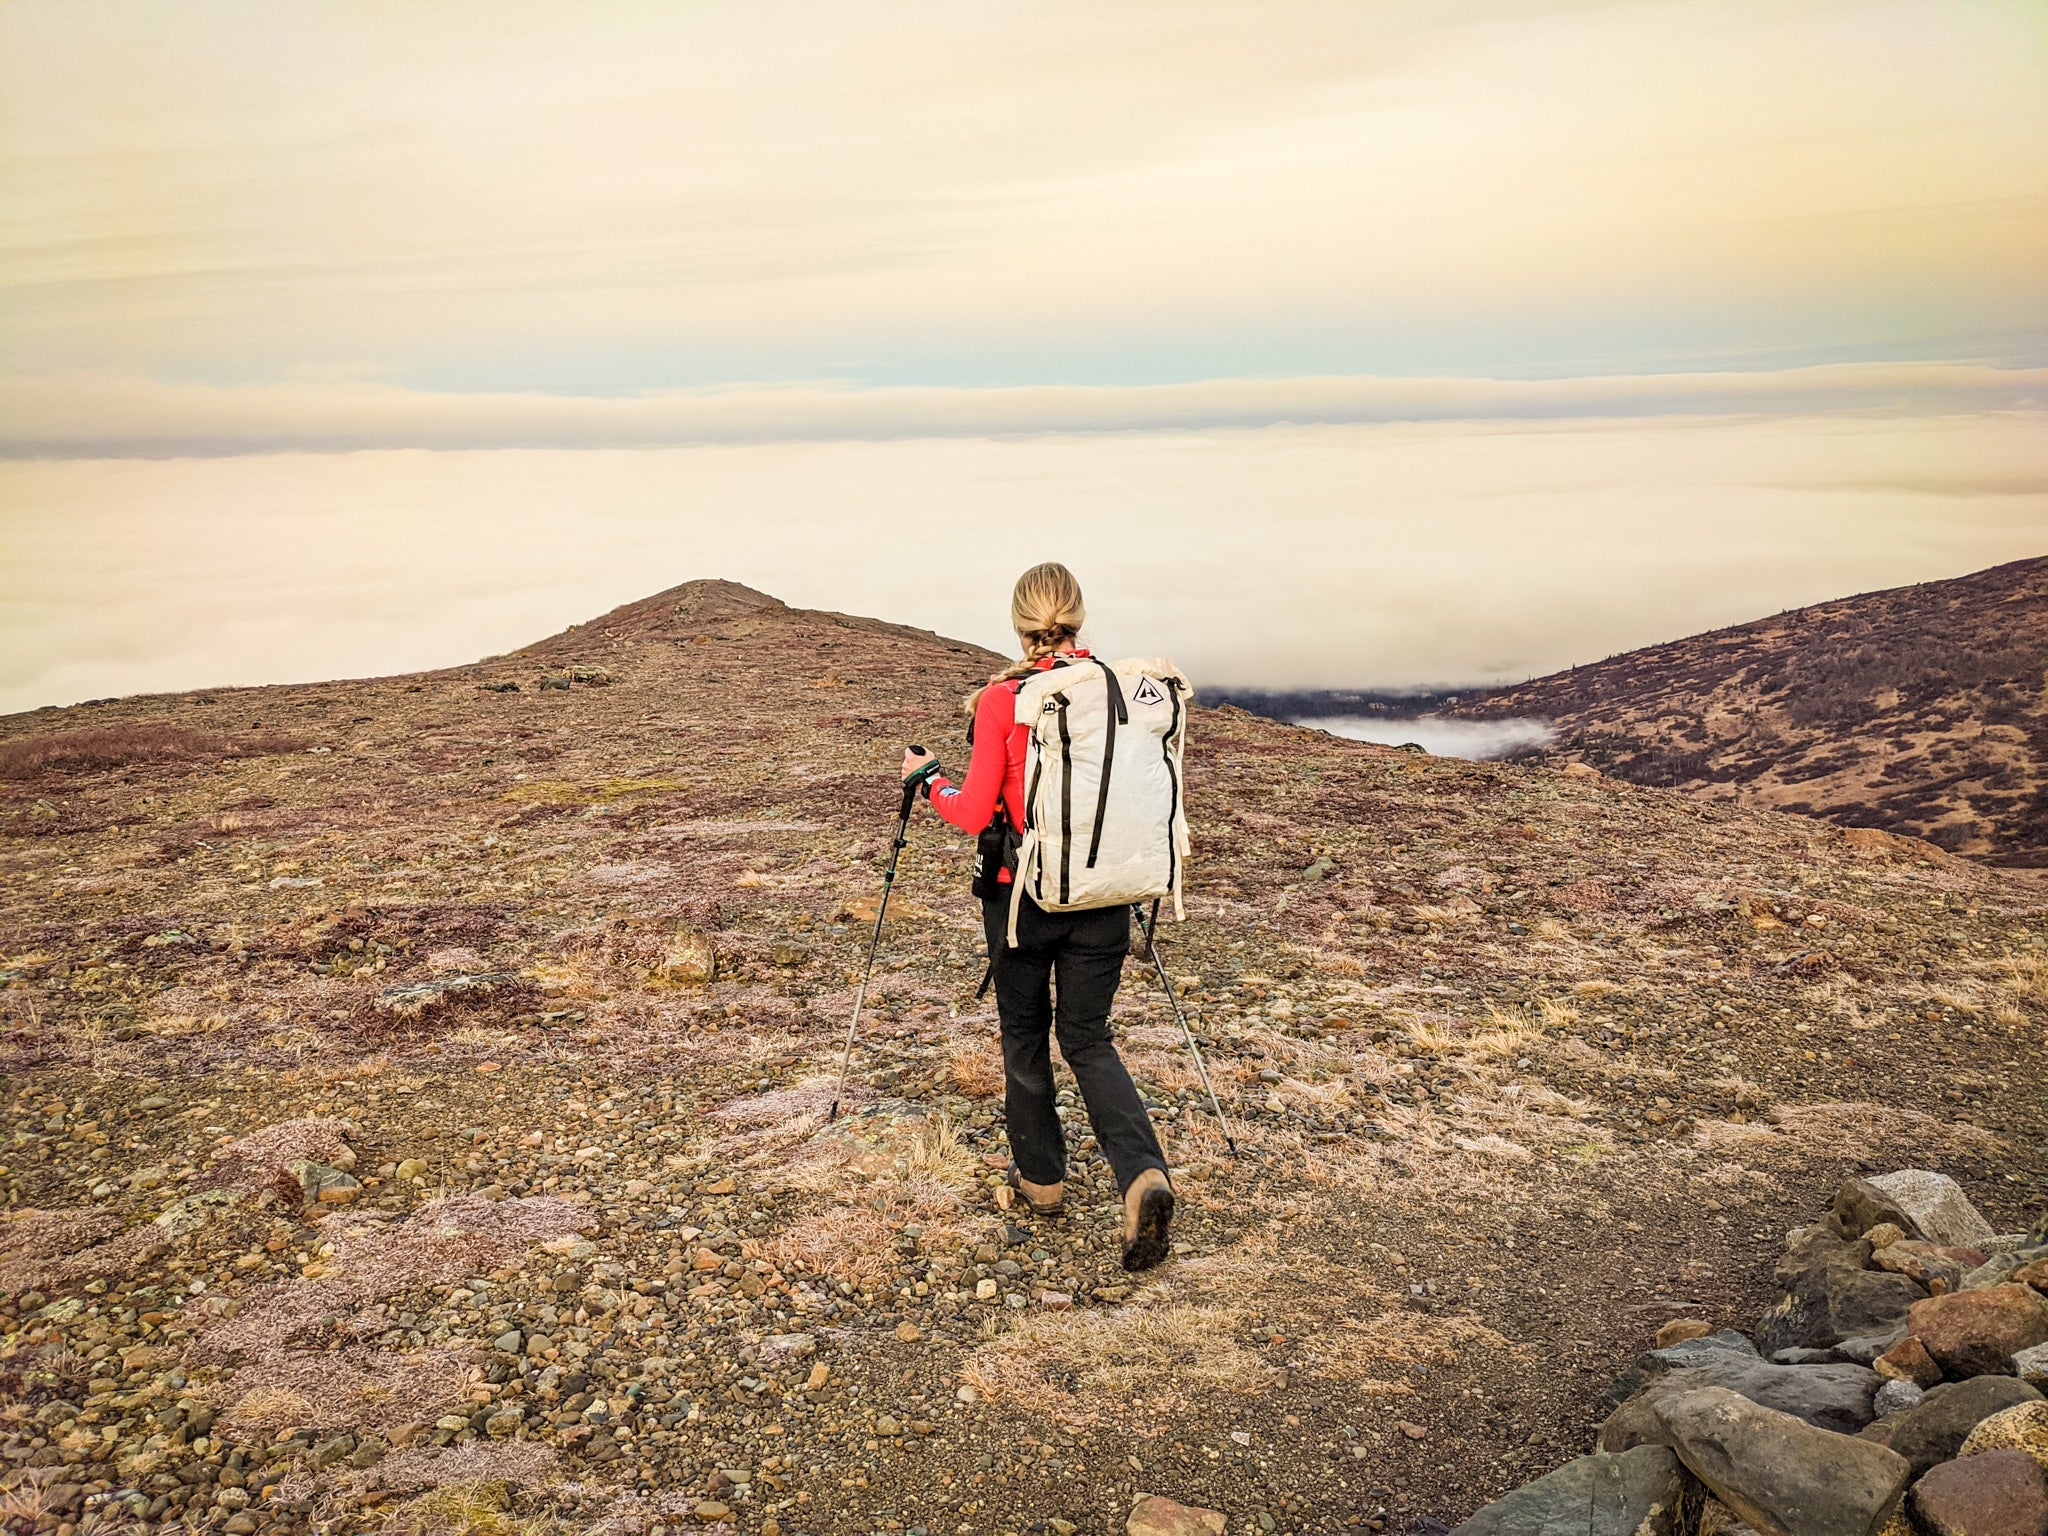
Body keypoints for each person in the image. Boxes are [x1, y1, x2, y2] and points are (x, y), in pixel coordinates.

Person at [900, 562, 1175, 1272]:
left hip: (1021, 895)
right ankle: (1142, 1172)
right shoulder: (1114, 691)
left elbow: (971, 814)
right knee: (1087, 1038)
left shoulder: (1003, 700)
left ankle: (1043, 1183)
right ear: (1078, 616)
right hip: (1105, 892)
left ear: (1019, 621)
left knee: (1024, 1035)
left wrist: (929, 780)